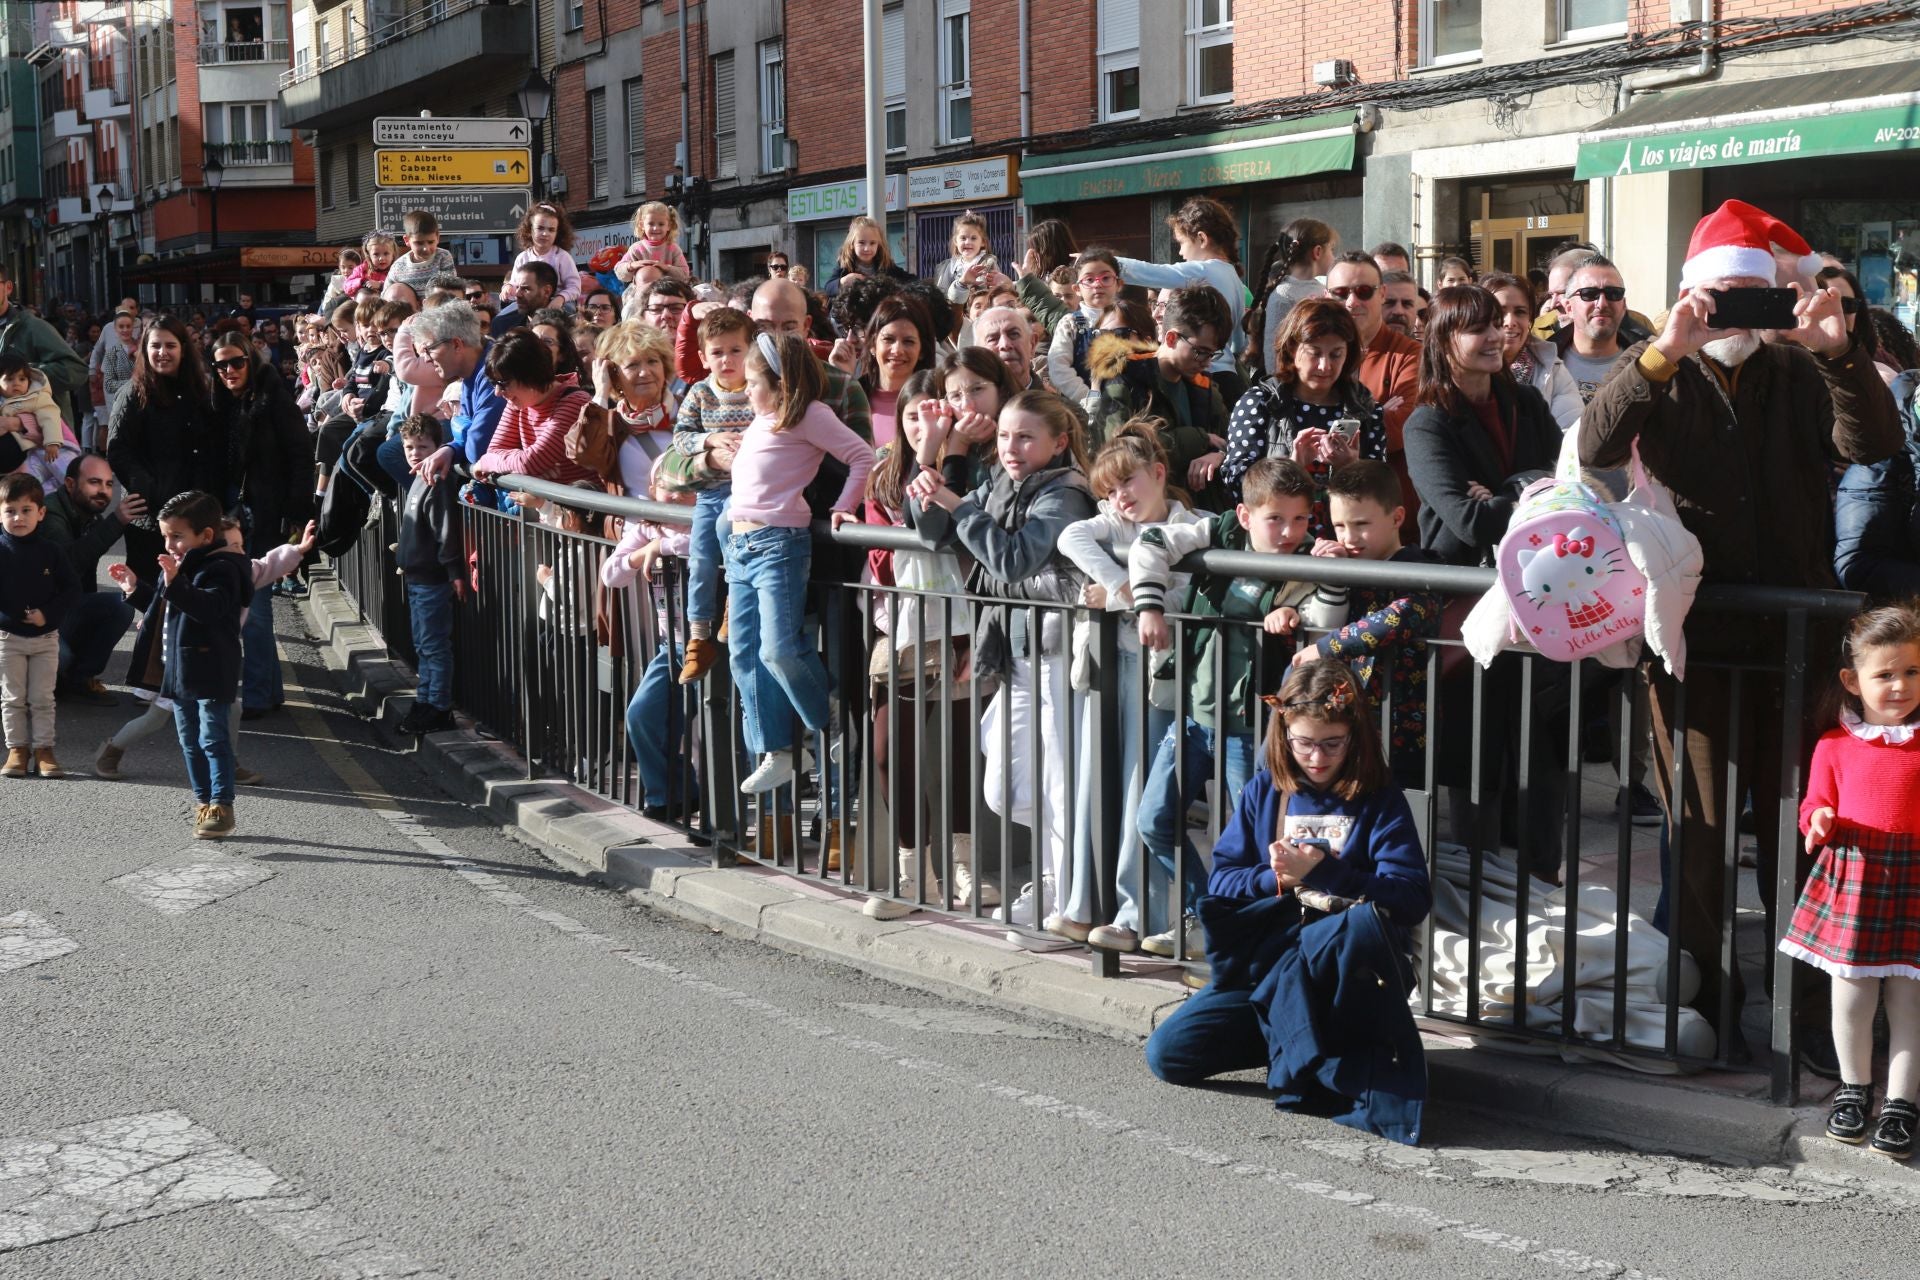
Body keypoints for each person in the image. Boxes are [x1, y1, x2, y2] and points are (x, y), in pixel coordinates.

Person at [1581, 200, 1904, 1066]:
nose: (1736, 317)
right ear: (1690, 297)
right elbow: (1596, 447)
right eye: (1719, 299)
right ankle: (1708, 1015)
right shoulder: (1662, 369)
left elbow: (1873, 442)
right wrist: (1664, 351)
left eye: (1749, 300)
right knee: (1699, 844)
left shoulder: (1798, 372)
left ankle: (1806, 1023)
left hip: (1792, 646)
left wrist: (1836, 351)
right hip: (1693, 646)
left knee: (1800, 839)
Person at [1142, 656, 1431, 1145]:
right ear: (1284, 736)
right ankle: (1294, 1041)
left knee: (1345, 936)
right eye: (1304, 744)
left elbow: (1410, 899)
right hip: (1272, 960)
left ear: (1354, 737)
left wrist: (1324, 871)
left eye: (1331, 744)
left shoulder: (1381, 800)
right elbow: (1223, 881)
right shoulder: (1266, 792)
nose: (1316, 758)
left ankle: (1307, 1046)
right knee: (1170, 1056)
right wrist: (1274, 879)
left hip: (1346, 969)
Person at [908, 390, 1096, 928]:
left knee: (1059, 784)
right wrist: (932, 469)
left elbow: (1012, 561)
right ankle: (1059, 882)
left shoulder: (1066, 495)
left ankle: (1066, 901)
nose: (1012, 447)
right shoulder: (1003, 485)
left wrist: (956, 504)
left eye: (1026, 437)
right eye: (1007, 435)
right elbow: (933, 534)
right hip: (1014, 655)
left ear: (1058, 443)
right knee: (1005, 788)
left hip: (1056, 654)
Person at [1052, 423, 1209, 943]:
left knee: (1142, 788)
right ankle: (1080, 904)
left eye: (1128, 482)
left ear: (1158, 473)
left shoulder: (1192, 525)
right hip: (1108, 668)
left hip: (1160, 678)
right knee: (1091, 780)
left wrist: (1122, 595)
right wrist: (1125, 586)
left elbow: (1186, 602)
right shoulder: (1111, 524)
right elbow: (1070, 536)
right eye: (1110, 489)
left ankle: (1135, 916)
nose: (1120, 497)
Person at [1780, 604, 1920, 1159]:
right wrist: (1816, 819)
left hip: (1913, 879)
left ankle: (1902, 1103)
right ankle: (1853, 1089)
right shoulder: (1835, 745)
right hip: (1856, 875)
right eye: (1884, 674)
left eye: (1911, 672)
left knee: (1910, 999)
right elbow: (1817, 800)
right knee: (1853, 995)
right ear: (1852, 680)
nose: (1899, 685)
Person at [725, 332, 874, 794]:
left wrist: (844, 506)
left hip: (779, 546)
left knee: (780, 650)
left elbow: (862, 457)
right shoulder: (760, 420)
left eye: (753, 382)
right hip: (740, 546)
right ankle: (780, 751)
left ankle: (830, 719)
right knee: (743, 655)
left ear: (780, 382)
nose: (745, 390)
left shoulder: (811, 413)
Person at [209, 330, 312, 720]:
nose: (230, 370)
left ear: (251, 360)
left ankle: (256, 695)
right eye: (222, 365)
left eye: (237, 362)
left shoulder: (274, 399)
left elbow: (301, 455)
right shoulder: (219, 402)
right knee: (250, 604)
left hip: (268, 514)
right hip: (233, 517)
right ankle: (267, 692)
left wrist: (297, 515)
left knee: (255, 608)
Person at [1221, 297, 1386, 525]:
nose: (1324, 366)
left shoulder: (1365, 409)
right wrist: (1292, 467)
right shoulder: (1261, 403)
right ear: (1292, 349)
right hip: (1279, 545)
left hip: (1344, 545)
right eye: (1314, 353)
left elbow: (1383, 496)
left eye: (1336, 354)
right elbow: (1237, 484)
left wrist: (1351, 469)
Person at [151, 490, 251, 838]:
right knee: (189, 740)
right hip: (180, 669)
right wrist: (133, 587)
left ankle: (221, 806)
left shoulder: (224, 569)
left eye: (177, 536)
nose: (170, 543)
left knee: (213, 738)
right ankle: (203, 801)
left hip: (212, 666)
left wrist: (175, 582)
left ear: (206, 536)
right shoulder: (182, 566)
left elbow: (208, 608)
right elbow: (161, 610)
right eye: (165, 536)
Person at [602, 455, 696, 818]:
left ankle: (725, 820)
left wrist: (664, 548)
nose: (674, 496)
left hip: (709, 646)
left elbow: (709, 544)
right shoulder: (647, 525)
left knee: (724, 731)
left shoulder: (704, 519)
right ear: (653, 490)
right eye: (666, 488)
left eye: (684, 488)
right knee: (642, 715)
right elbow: (612, 575)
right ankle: (670, 792)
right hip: (670, 645)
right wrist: (645, 550)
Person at [666, 307, 756, 683]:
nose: (727, 360)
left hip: (749, 495)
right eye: (717, 352)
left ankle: (733, 607)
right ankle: (699, 637)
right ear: (703, 357)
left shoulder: (759, 388)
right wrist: (710, 440)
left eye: (735, 350)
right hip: (709, 493)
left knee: (734, 543)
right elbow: (680, 436)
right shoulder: (700, 393)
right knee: (700, 560)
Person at [1086, 284, 1232, 509]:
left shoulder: (1204, 387)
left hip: (1198, 512)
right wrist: (1199, 439)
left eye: (1213, 353)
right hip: (1144, 513)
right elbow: (1120, 453)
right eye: (1201, 351)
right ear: (1172, 338)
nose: (1207, 361)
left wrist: (1217, 455)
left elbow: (1228, 440)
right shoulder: (1124, 378)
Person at [105, 317, 222, 585]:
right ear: (144, 349)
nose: (162, 352)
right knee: (150, 592)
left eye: (170, 345)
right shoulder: (133, 392)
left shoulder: (200, 390)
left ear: (183, 348)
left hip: (196, 512)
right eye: (155, 345)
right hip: (151, 517)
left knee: (195, 591)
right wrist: (145, 487)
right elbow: (118, 450)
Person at [1115, 197, 1250, 404]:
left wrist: (1106, 263)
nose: (1180, 252)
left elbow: (1154, 273)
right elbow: (1239, 341)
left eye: (1181, 243)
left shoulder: (1204, 270)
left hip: (1205, 376)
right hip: (1230, 377)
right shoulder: (1233, 276)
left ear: (1202, 239)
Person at [1323, 254, 1422, 531]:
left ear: (1382, 294)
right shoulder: (1313, 355)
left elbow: (1402, 427)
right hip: (1327, 516)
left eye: (1363, 292)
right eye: (1341, 293)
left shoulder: (1410, 355)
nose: (1352, 302)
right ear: (1326, 295)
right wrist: (1377, 413)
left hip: (1387, 513)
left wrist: (1332, 427)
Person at [41, 454, 140, 702]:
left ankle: (79, 680)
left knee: (120, 607)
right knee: (60, 658)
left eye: (108, 484)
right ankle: (50, 678)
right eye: (94, 482)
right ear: (71, 484)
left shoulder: (85, 512)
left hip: (60, 609)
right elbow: (70, 564)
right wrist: (116, 521)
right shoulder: (51, 516)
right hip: (33, 618)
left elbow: (83, 581)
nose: (104, 491)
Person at [0, 472, 79, 779]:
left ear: (41, 513)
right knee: (12, 698)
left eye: (26, 510)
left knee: (43, 698)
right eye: (10, 511)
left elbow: (72, 590)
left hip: (46, 638)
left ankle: (44, 750)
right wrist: (10, 614)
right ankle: (17, 749)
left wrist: (47, 614)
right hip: (8, 638)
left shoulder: (51, 551)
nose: (18, 517)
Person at [395, 416, 466, 737]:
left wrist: (453, 571)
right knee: (423, 645)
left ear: (438, 447)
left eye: (422, 446)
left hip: (432, 580)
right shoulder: (418, 479)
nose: (414, 452)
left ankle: (438, 707)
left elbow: (445, 532)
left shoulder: (436, 481)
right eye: (409, 446)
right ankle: (425, 702)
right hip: (416, 577)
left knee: (434, 646)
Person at [471, 329, 598, 489]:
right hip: (550, 509)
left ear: (530, 375)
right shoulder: (516, 403)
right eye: (494, 384)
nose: (497, 392)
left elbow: (529, 463)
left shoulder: (575, 403)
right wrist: (528, 469)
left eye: (503, 383)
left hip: (585, 510)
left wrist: (487, 462)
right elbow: (495, 450)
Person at [412, 302, 508, 492]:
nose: (426, 359)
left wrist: (460, 427)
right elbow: (469, 440)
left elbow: (477, 449)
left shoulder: (494, 371)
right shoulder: (471, 373)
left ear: (456, 344)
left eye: (429, 349)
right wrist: (452, 448)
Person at [1484, 272, 1584, 429]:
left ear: (1530, 318)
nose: (1510, 322)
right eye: (1500, 312)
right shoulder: (1466, 370)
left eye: (1520, 312)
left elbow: (1570, 435)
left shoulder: (1551, 368)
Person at [0, 267, 87, 436]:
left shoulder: (32, 327)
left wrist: (23, 374)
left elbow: (77, 370)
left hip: (39, 445)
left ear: (8, 288)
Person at [1248, 218, 1337, 380]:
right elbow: (1273, 352)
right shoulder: (1283, 296)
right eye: (1331, 249)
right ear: (1318, 252)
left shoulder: (1325, 288)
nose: (1334, 256)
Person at [1553, 255, 1645, 405]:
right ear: (1569, 307)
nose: (1602, 304)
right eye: (1589, 294)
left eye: (1613, 294)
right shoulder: (1542, 364)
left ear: (1624, 306)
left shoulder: (1647, 364)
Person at [859, 294, 937, 449]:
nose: (897, 350)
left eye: (908, 342)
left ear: (922, 350)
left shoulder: (936, 402)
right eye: (888, 339)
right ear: (873, 345)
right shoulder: (851, 398)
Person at [0, 353, 79, 493]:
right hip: (29, 454)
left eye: (22, 378)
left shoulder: (36, 397)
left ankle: (79, 493)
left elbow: (50, 417)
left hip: (53, 447)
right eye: (10, 379)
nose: (16, 383)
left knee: (67, 474)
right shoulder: (3, 401)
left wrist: (52, 441)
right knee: (30, 486)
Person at [824, 215, 912, 298]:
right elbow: (828, 288)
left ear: (879, 245)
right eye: (861, 243)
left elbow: (911, 280)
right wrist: (843, 282)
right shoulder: (844, 265)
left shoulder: (886, 265)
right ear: (851, 244)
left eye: (872, 243)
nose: (867, 248)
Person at [513, 202, 582, 306]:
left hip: (559, 305)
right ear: (529, 229)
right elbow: (514, 284)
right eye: (540, 228)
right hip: (527, 305)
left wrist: (561, 298)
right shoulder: (522, 258)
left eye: (551, 230)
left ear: (557, 233)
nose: (545, 234)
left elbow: (574, 287)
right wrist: (508, 287)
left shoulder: (562, 257)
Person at [614, 201, 691, 284]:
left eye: (661, 224)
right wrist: (631, 266)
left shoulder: (673, 248)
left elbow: (685, 274)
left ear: (669, 226)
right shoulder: (636, 248)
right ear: (642, 225)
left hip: (667, 293)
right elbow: (619, 271)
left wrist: (667, 268)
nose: (655, 228)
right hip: (641, 292)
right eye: (651, 224)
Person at [934, 210, 1001, 304]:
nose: (968, 242)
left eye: (973, 238)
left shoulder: (988, 264)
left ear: (982, 242)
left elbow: (996, 291)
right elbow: (940, 295)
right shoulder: (947, 267)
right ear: (955, 241)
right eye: (963, 238)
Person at [388, 210, 457, 297]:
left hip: (438, 308)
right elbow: (386, 295)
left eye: (431, 242)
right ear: (407, 240)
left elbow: (450, 289)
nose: (426, 248)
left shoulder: (443, 257)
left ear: (438, 238)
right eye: (419, 243)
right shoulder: (398, 266)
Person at [493, 261, 559, 338]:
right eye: (517, 287)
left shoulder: (564, 327)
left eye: (526, 289)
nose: (517, 294)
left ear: (547, 291)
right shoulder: (502, 325)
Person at [1380, 271, 1421, 338]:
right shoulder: (1357, 348)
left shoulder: (1425, 348)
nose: (1398, 311)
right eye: (1390, 302)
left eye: (1406, 304)